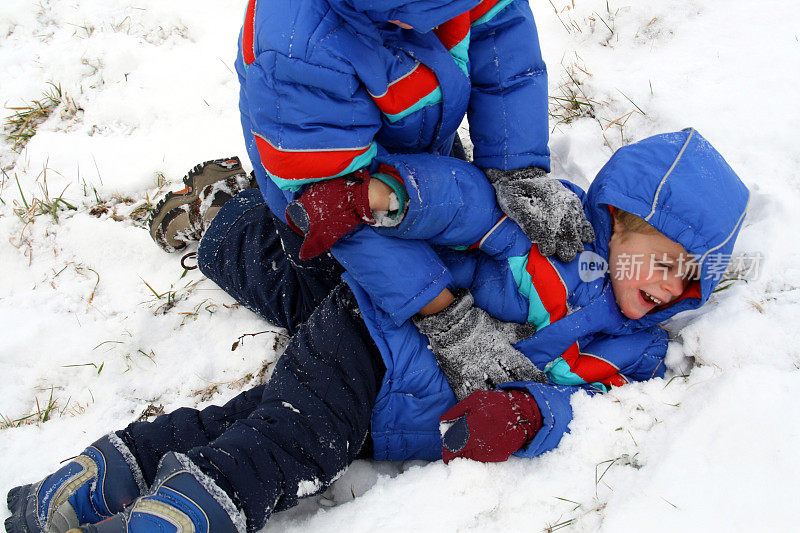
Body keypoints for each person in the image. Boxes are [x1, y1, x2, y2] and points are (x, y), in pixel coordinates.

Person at [4, 129, 749, 533]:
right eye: (665, 259)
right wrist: (385, 198)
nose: (670, 288)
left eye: (692, 280)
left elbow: (582, 408)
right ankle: (222, 215)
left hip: (403, 413)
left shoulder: (638, 351)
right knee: (295, 438)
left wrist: (527, 415)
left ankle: (98, 477)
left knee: (253, 423)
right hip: (379, 333)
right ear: (620, 215)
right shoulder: (550, 221)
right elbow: (462, 199)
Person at [149, 0, 596, 322]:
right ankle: (227, 219)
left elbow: (503, 56)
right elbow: (337, 205)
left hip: (411, 148)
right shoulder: (296, 45)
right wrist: (444, 318)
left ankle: (298, 159)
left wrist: (516, 168)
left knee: (463, 246)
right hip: (327, 194)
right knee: (341, 305)